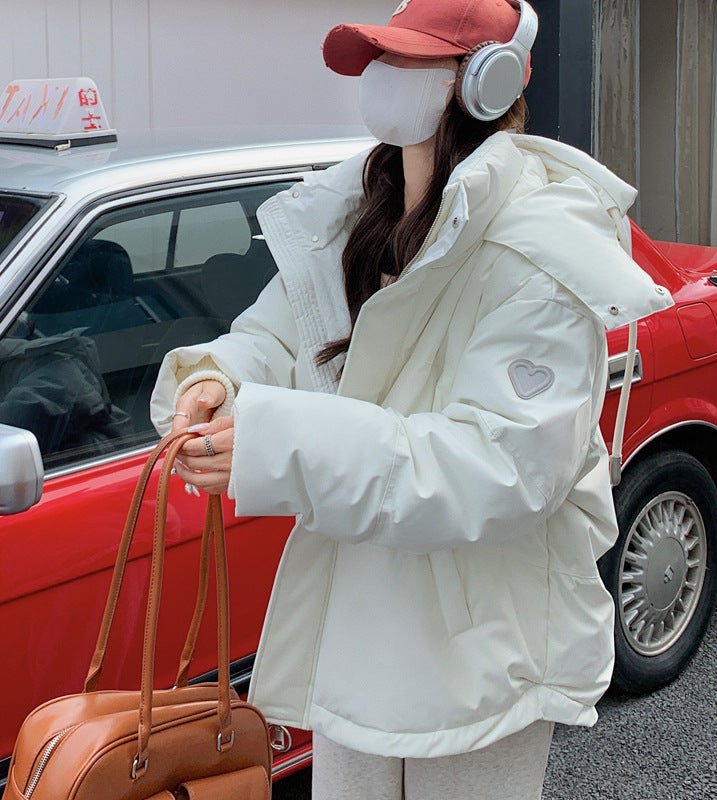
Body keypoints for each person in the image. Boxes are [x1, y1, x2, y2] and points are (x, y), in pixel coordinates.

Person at [151, 1, 673, 797]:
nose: (381, 77)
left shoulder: (539, 250)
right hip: (358, 629)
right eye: (380, 57)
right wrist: (219, 377)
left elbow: (496, 468)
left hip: (478, 655)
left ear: (487, 81)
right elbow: (282, 334)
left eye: (409, 60)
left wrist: (279, 443)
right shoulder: (357, 216)